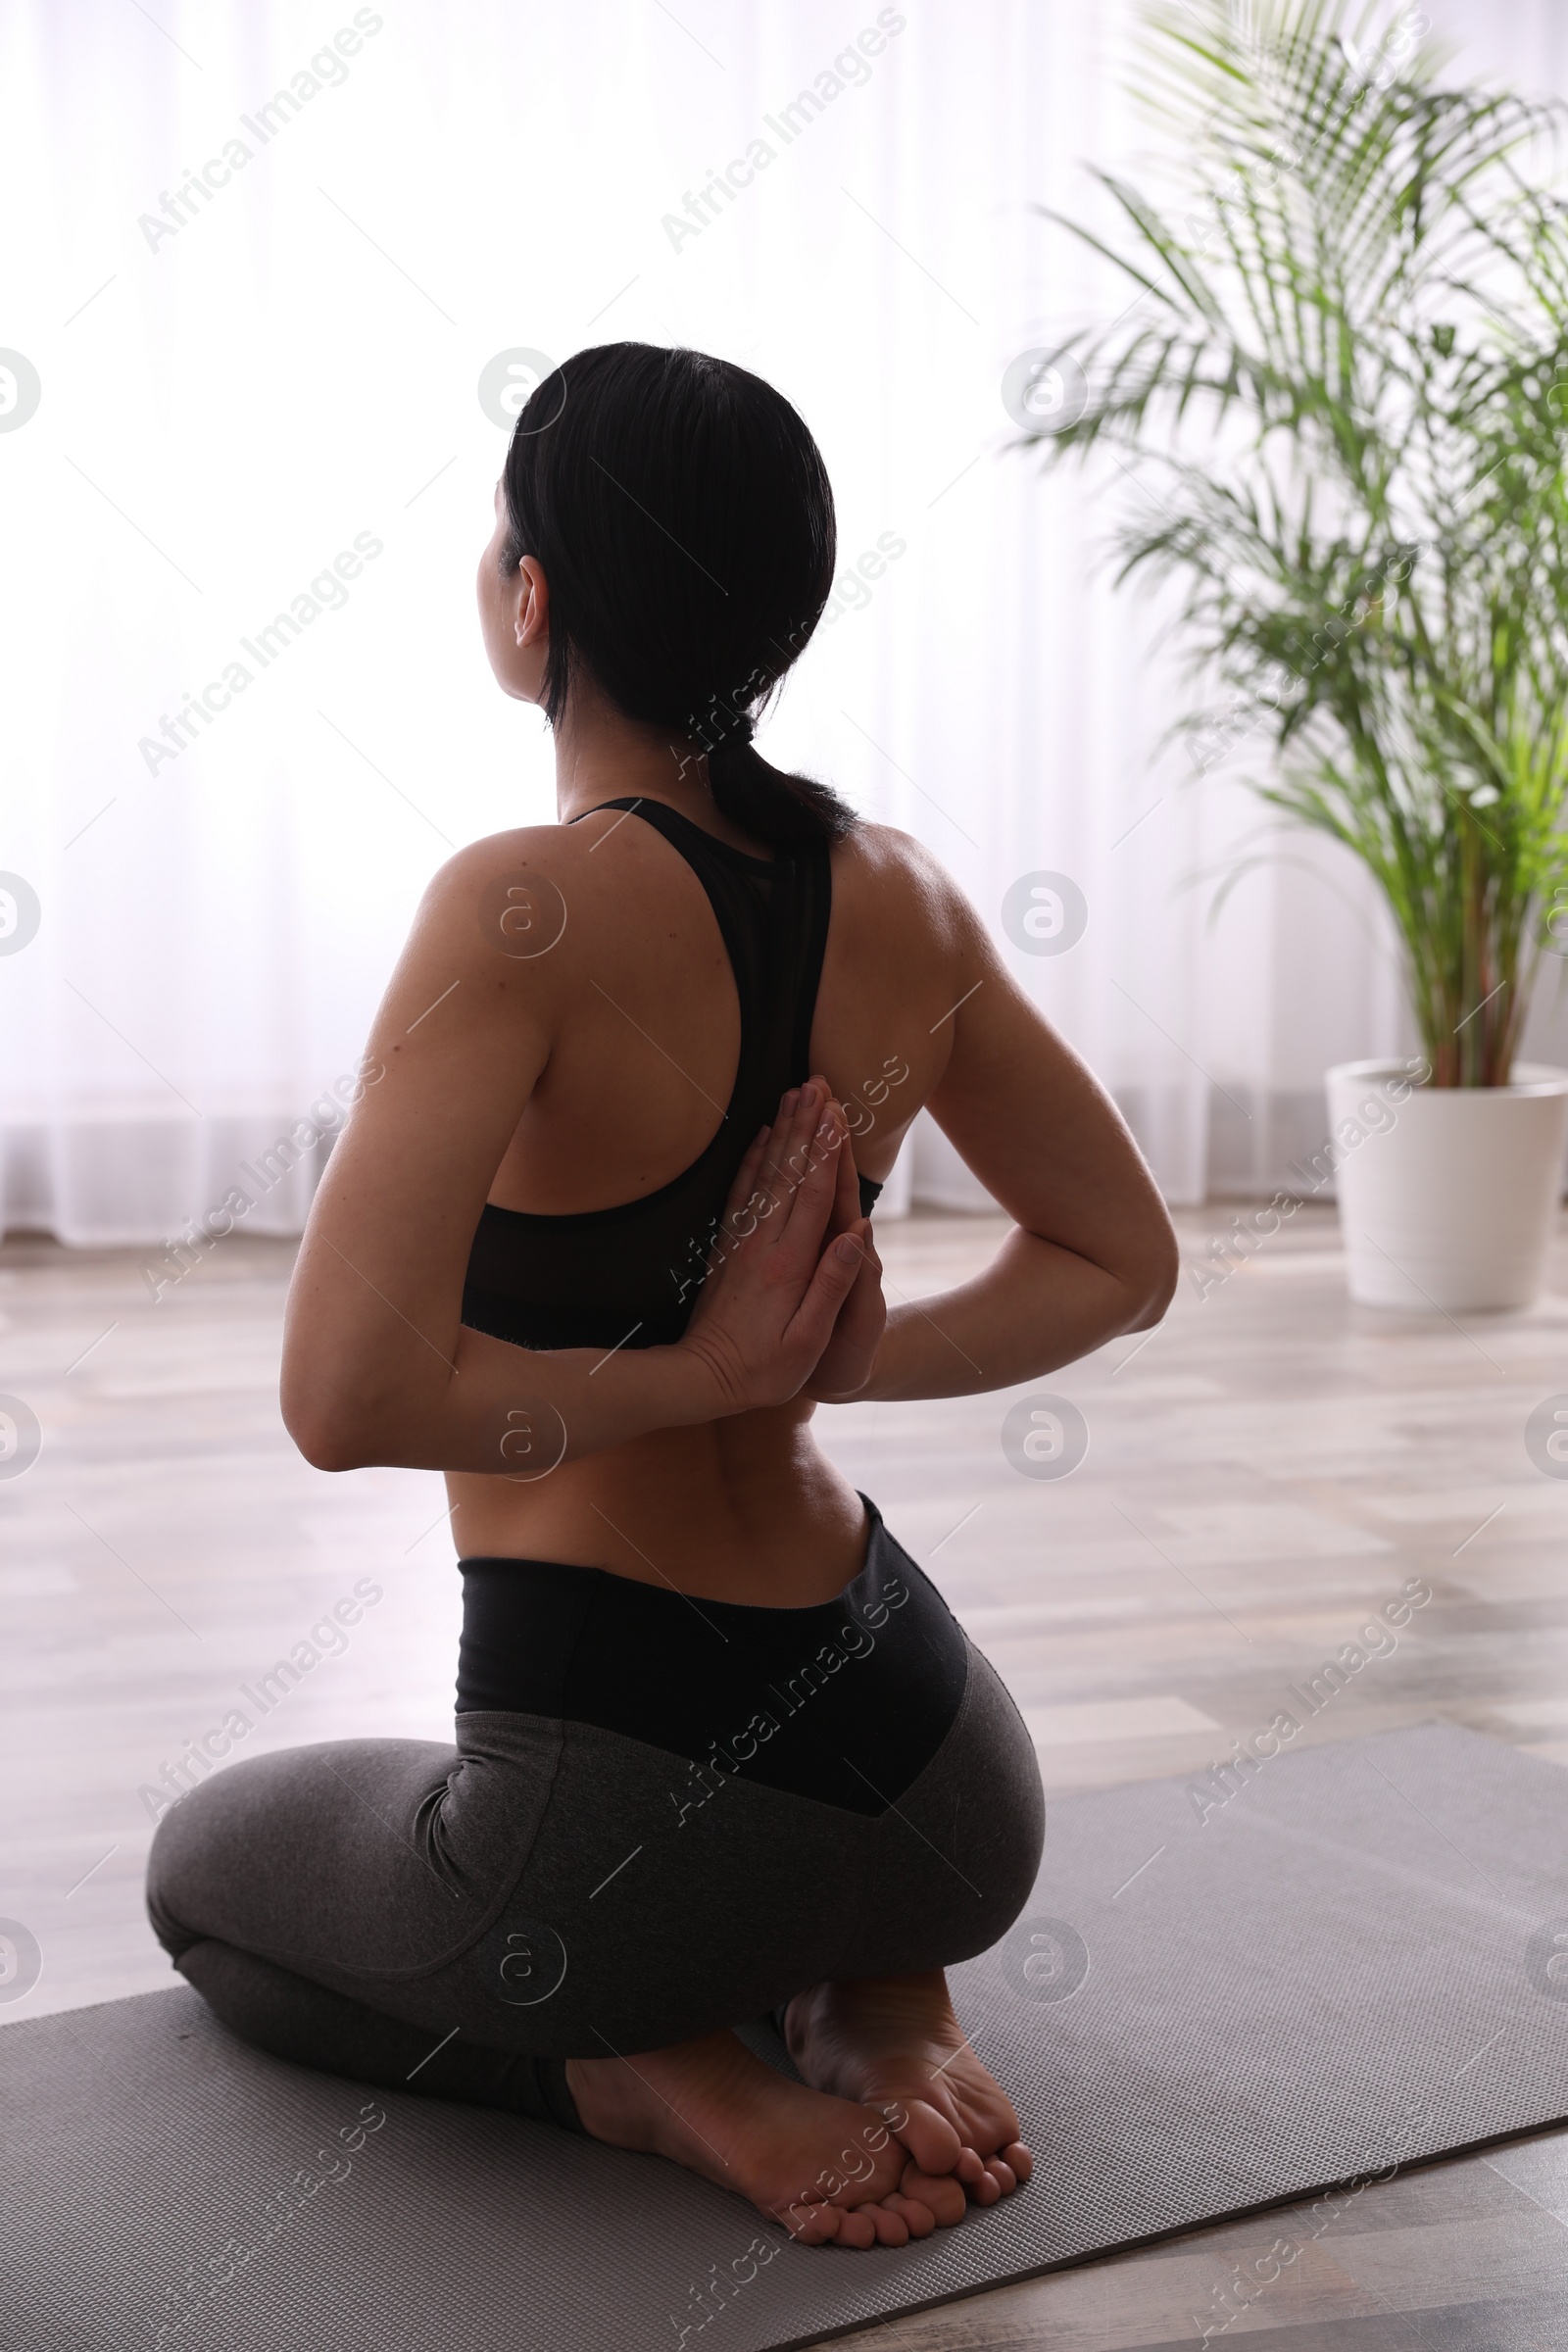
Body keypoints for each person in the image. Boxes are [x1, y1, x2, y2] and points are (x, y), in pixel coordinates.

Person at [147, 342, 1178, 2250]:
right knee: (821, 1874)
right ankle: (878, 1987)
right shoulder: (901, 897)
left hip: (617, 1840)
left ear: (532, 598)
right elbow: (1125, 1260)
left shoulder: (515, 908)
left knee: (204, 1880)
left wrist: (705, 1362)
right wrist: (833, 1376)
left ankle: (640, 2073)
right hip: (944, 1779)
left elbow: (342, 1398)